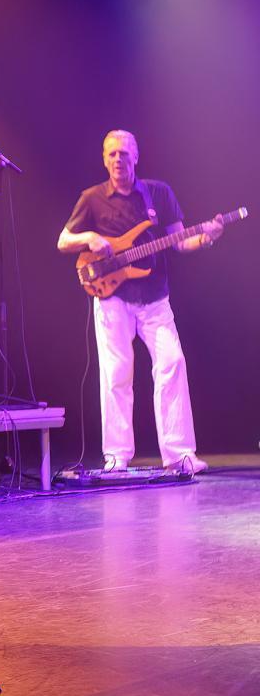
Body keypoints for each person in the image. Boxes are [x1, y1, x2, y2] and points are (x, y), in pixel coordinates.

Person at [57, 130, 222, 473]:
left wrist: (205, 238)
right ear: (104, 160)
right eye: (112, 154)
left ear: (136, 157)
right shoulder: (91, 198)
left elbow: (180, 242)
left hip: (155, 297)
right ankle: (116, 455)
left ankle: (179, 455)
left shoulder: (158, 193)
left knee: (172, 362)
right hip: (112, 297)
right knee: (116, 373)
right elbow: (63, 241)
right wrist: (90, 237)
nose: (119, 159)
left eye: (124, 153)